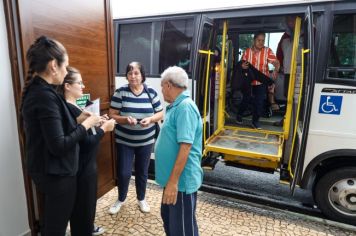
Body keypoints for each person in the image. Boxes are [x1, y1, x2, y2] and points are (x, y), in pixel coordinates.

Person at [21, 36, 100, 235]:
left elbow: (54, 130)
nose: (67, 71)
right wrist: (87, 125)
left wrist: (78, 120)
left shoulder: (44, 91)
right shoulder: (44, 96)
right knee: (55, 228)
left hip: (53, 173)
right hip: (57, 176)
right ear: (54, 66)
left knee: (54, 224)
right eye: (66, 65)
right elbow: (58, 145)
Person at [58, 67, 115, 236]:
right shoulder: (70, 109)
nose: (83, 86)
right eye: (79, 82)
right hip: (83, 168)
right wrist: (104, 128)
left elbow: (85, 134)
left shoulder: (73, 107)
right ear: (67, 86)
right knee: (84, 211)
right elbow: (87, 144)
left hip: (84, 166)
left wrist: (96, 123)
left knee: (82, 211)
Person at [108, 61, 163, 214]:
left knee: (142, 171)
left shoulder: (151, 92)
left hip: (145, 141)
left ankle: (141, 199)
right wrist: (125, 119)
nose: (133, 76)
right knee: (124, 172)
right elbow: (112, 114)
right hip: (124, 141)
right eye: (130, 73)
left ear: (142, 75)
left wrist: (151, 120)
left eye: (136, 73)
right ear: (127, 76)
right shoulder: (121, 92)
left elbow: (160, 112)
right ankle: (121, 198)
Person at [155, 66, 203, 236]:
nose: (162, 91)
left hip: (180, 183)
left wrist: (174, 182)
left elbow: (186, 147)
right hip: (173, 181)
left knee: (182, 229)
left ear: (168, 85)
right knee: (171, 221)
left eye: (162, 87)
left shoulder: (185, 107)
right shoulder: (177, 106)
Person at [236, 31, 280, 129]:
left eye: (263, 40)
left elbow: (276, 63)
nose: (261, 42)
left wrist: (275, 72)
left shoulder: (267, 51)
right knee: (246, 100)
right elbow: (241, 64)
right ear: (254, 40)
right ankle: (239, 115)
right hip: (249, 81)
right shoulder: (247, 51)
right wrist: (242, 66)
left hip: (261, 81)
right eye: (258, 40)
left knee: (259, 102)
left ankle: (255, 122)